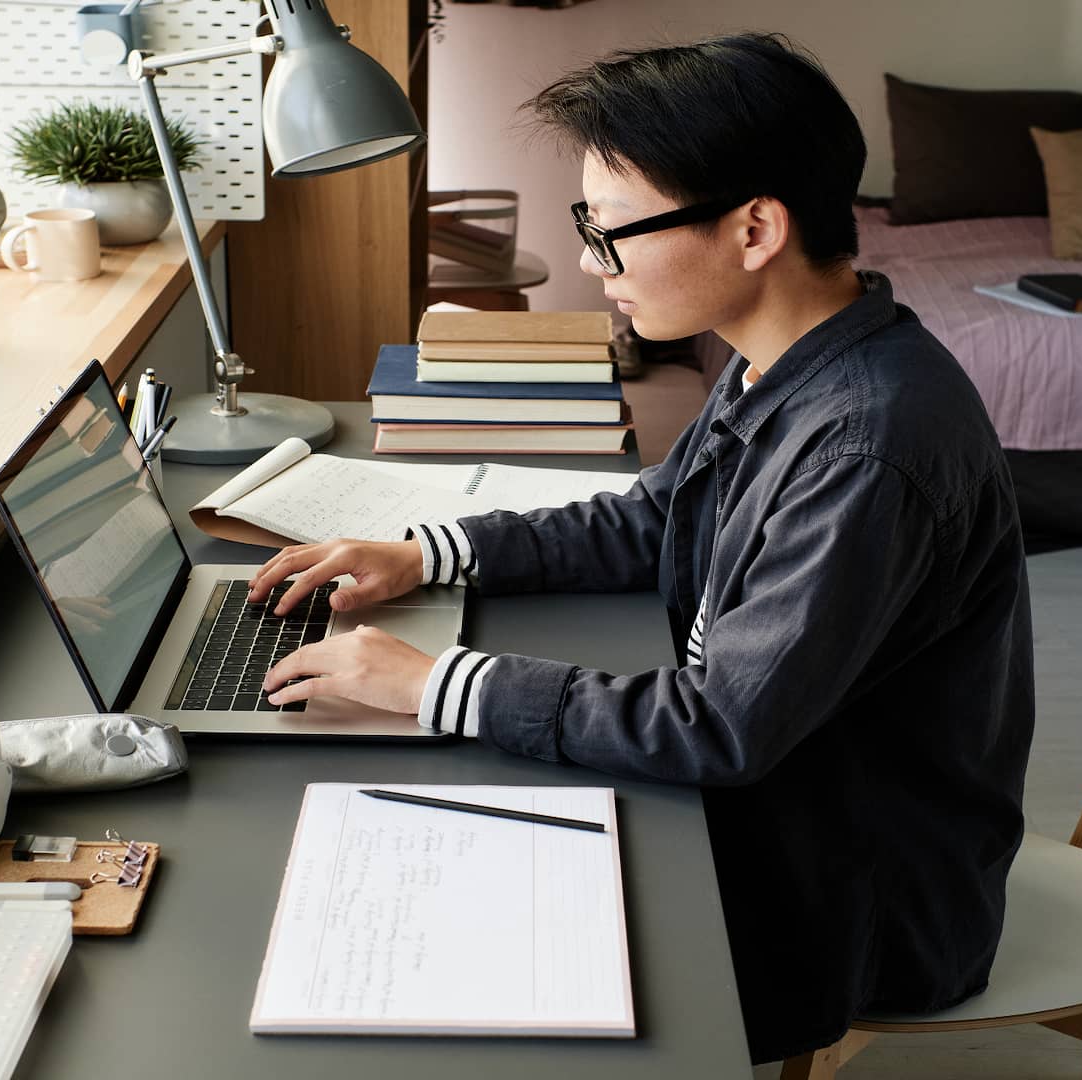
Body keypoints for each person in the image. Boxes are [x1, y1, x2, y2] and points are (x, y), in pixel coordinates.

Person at [250, 33, 1034, 1066]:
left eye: (614, 231)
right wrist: (428, 554)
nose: (588, 260)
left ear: (754, 228)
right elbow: (654, 517)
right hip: (773, 806)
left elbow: (721, 729)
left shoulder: (864, 447)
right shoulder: (784, 359)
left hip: (839, 892)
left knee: (438, 991)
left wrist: (433, 684)